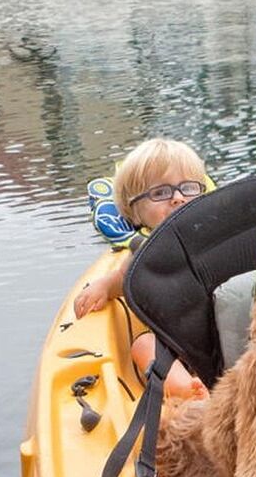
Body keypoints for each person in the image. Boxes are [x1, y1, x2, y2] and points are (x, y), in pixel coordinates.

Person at [74, 138, 209, 400]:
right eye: (160, 193)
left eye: (189, 188)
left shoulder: (215, 238)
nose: (178, 198)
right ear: (134, 211)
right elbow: (123, 279)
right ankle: (186, 389)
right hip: (174, 343)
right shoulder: (143, 251)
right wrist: (102, 287)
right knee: (143, 345)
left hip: (220, 331)